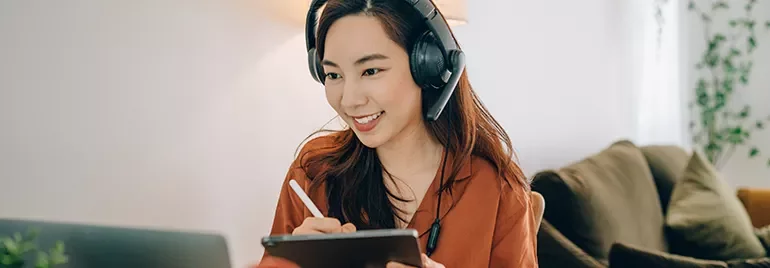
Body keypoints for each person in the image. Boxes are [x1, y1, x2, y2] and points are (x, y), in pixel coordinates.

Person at [261, 0, 539, 267]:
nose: (349, 100)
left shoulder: (498, 190)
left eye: (371, 71)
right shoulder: (313, 171)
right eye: (333, 75)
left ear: (428, 66)